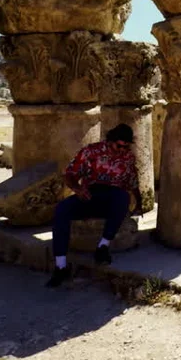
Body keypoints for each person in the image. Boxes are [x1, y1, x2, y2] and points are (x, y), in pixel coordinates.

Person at [45, 123, 140, 288]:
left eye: (126, 147)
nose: (121, 150)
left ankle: (103, 246)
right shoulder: (91, 152)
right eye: (119, 145)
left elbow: (132, 183)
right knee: (62, 210)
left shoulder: (128, 158)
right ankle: (61, 265)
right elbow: (70, 175)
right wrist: (77, 189)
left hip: (113, 199)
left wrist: (139, 203)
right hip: (90, 196)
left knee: (122, 197)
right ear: (110, 140)